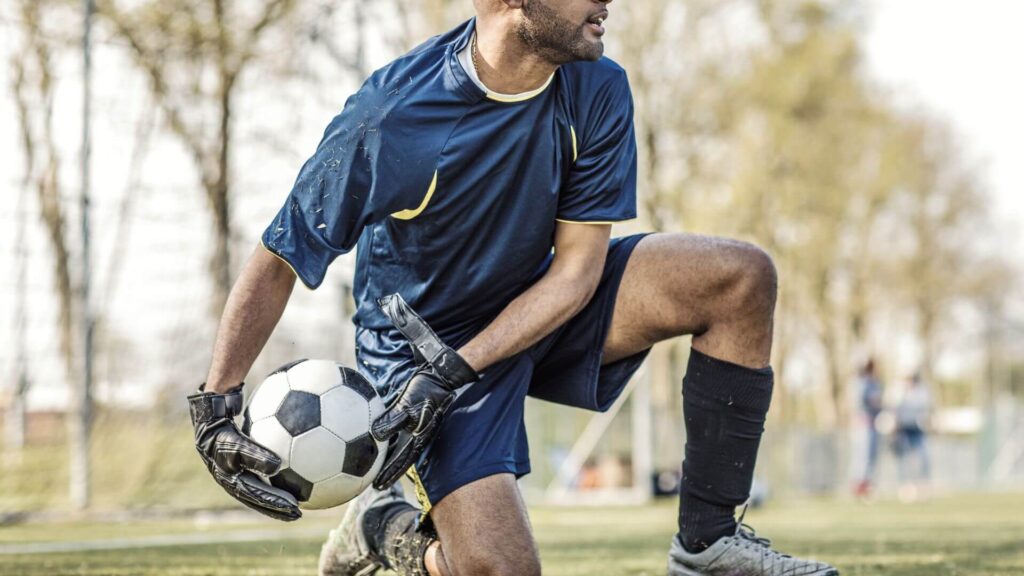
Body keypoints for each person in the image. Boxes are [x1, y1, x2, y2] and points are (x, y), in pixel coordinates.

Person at [186, 1, 839, 575]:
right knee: (503, 570)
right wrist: (215, 405)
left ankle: (709, 545)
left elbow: (578, 272)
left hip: (542, 301)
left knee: (739, 277)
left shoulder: (598, 85)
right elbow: (278, 258)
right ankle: (386, 532)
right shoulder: (388, 121)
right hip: (422, 352)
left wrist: (461, 366)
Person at [894, 372, 931, 501]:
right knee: (905, 459)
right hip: (904, 430)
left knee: (922, 457)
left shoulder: (921, 393)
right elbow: (896, 410)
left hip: (917, 430)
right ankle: (906, 486)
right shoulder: (901, 394)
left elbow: (925, 410)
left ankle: (922, 485)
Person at [854, 359, 883, 498]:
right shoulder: (863, 383)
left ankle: (868, 484)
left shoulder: (875, 383)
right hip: (864, 424)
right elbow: (861, 401)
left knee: (871, 456)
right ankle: (860, 486)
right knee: (863, 456)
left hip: (873, 424)